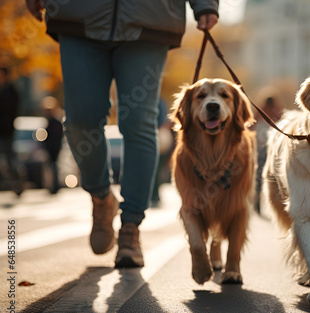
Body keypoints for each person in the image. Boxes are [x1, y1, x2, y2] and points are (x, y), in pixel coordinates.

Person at [27, 0, 219, 268]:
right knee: (81, 120)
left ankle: (131, 227)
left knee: (139, 123)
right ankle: (101, 196)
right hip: (78, 15)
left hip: (149, 18)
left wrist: (205, 4)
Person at [0, 67, 22, 195]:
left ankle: (18, 184)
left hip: (7, 132)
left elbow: (11, 109)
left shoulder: (11, 91)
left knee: (10, 160)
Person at [41, 96, 64, 195]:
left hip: (54, 148)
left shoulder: (55, 122)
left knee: (54, 167)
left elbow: (57, 136)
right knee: (50, 167)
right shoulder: (48, 122)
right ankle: (51, 185)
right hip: (50, 148)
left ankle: (55, 186)